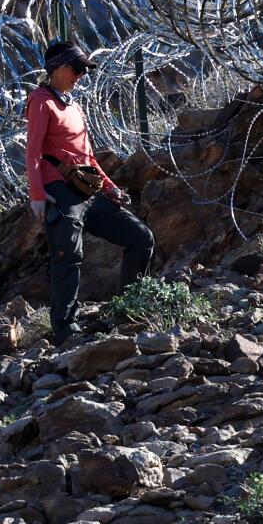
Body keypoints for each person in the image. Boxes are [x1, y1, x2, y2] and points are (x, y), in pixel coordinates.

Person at [26, 41, 154, 346]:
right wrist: (38, 195)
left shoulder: (74, 105)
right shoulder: (41, 102)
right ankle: (64, 331)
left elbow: (88, 157)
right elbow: (31, 152)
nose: (81, 75)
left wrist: (110, 188)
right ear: (56, 69)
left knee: (140, 238)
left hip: (88, 189)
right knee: (68, 256)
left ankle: (129, 309)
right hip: (60, 191)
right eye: (76, 68)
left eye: (85, 69)